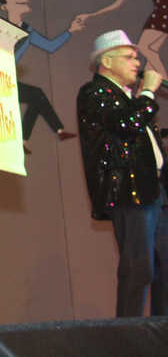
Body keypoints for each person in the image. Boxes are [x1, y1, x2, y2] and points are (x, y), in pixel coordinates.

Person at [77, 29, 168, 316]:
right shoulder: (94, 93)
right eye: (129, 57)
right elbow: (127, 125)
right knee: (138, 267)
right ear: (106, 61)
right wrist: (149, 93)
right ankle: (128, 334)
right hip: (130, 190)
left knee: (164, 267)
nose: (137, 63)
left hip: (154, 189)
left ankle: (160, 331)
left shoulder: (128, 97)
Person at [0, 0, 81, 152]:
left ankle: (34, 137)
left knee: (36, 96)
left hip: (7, 80)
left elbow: (50, 46)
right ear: (5, 6)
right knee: (35, 96)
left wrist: (70, 31)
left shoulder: (28, 30)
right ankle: (41, 134)